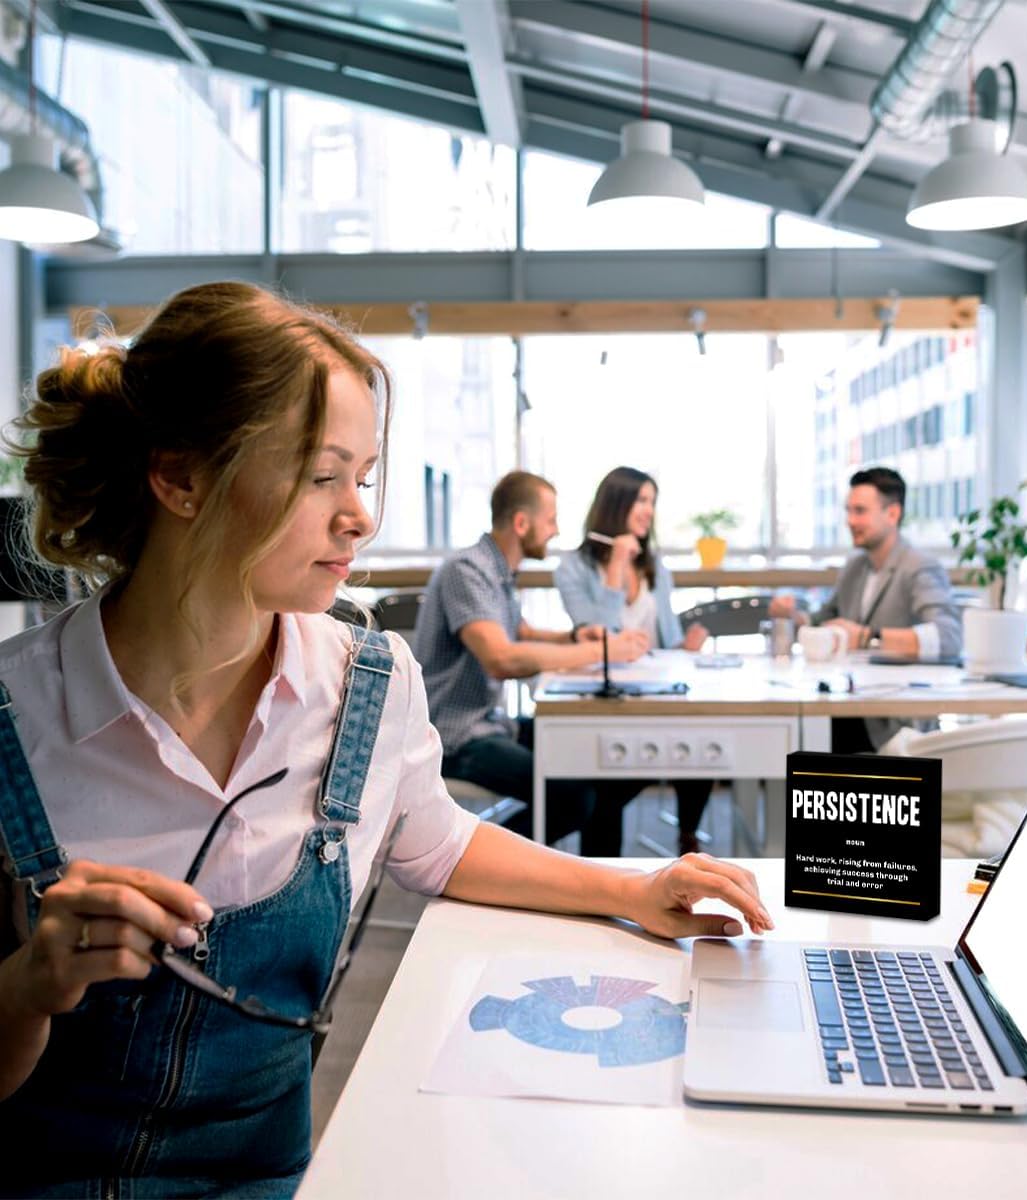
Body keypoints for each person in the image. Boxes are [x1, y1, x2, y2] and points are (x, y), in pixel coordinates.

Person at [0, 282, 773, 1199]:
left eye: (361, 478)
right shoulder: (15, 714)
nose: (360, 515)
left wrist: (634, 889)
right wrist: (29, 983)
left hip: (271, 1181)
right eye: (320, 475)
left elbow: (439, 843)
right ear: (180, 478)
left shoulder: (368, 682)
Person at [413, 471, 650, 855]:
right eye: (551, 520)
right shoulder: (468, 570)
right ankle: (471, 864)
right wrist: (603, 652)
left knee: (603, 762)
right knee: (571, 798)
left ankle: (603, 884)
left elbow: (519, 631)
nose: (555, 531)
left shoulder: (496, 571)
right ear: (522, 524)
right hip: (455, 736)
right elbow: (500, 658)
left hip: (490, 723)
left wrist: (576, 637)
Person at [555, 467, 713, 855]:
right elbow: (596, 635)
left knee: (704, 736)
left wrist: (687, 648)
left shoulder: (656, 568)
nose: (648, 511)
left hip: (654, 692)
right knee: (609, 783)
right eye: (642, 501)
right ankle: (603, 877)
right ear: (617, 504)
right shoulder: (572, 569)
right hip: (605, 697)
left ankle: (687, 837)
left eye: (652, 502)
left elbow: (668, 640)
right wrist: (615, 569)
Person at [770, 466, 962, 753]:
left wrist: (867, 636)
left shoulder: (919, 566)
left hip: (894, 722)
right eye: (848, 511)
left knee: (802, 743)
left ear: (893, 514)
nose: (850, 520)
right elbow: (823, 621)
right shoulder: (855, 567)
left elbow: (948, 638)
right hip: (850, 704)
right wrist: (792, 616)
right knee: (791, 736)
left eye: (860, 511)